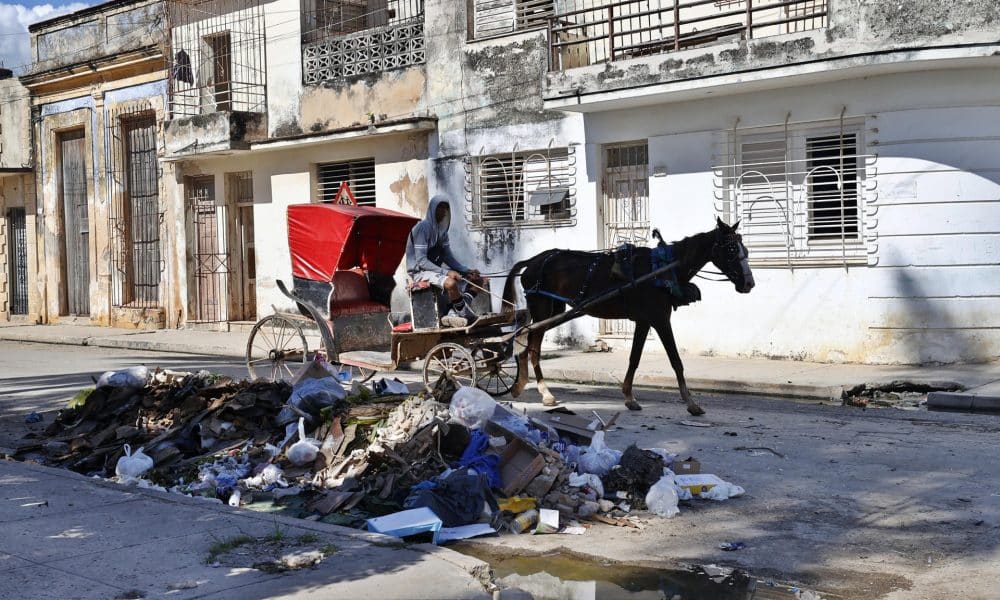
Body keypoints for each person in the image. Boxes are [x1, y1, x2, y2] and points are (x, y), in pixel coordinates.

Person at [405, 195, 485, 327]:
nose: (443, 211)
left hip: (434, 271)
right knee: (451, 284)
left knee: (478, 281)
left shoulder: (442, 232)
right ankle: (464, 313)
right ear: (432, 209)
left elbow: (448, 257)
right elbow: (421, 261)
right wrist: (446, 272)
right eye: (439, 208)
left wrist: (467, 270)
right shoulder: (423, 228)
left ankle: (453, 313)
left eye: (445, 208)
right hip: (420, 272)